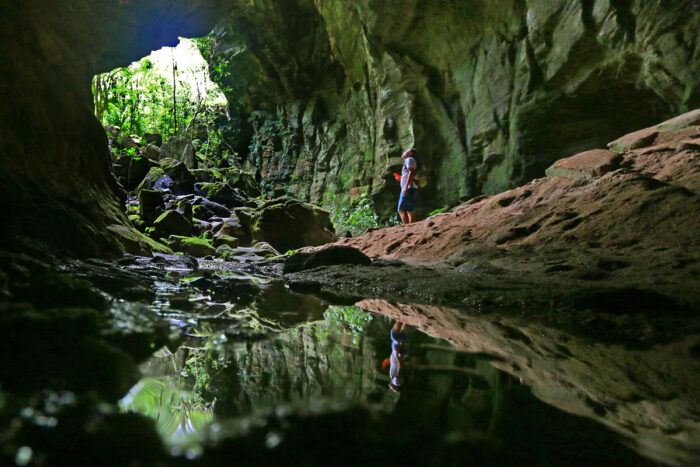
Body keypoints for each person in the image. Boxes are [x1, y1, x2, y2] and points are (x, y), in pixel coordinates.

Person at [397, 147, 418, 224]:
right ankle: (411, 228)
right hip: (412, 188)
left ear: (410, 154)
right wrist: (400, 178)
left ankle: (406, 228)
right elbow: (409, 173)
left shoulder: (409, 159)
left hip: (409, 188)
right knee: (410, 211)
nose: (404, 152)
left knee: (401, 210)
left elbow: (411, 172)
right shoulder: (411, 160)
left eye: (406, 151)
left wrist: (405, 187)